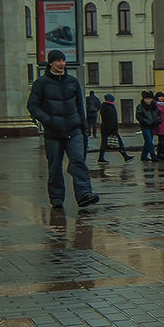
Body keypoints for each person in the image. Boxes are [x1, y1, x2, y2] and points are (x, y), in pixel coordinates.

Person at [26, 50, 99, 210]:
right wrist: (48, 120)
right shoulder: (41, 83)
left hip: (74, 131)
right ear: (51, 63)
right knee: (54, 167)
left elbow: (80, 107)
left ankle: (84, 194)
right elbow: (32, 106)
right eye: (58, 61)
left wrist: (84, 128)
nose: (62, 64)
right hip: (53, 133)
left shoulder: (72, 82)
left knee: (78, 162)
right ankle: (57, 198)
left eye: (63, 60)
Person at [96, 94, 133, 164]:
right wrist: (113, 130)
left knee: (104, 144)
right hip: (110, 129)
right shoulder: (109, 107)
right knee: (118, 143)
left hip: (105, 128)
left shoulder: (105, 106)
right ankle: (125, 156)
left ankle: (101, 158)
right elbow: (111, 120)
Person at [134, 91, 160, 161]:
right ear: (144, 99)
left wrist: (157, 121)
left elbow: (157, 114)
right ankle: (153, 156)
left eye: (149, 99)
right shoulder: (140, 106)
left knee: (148, 141)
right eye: (146, 99)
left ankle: (144, 156)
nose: (148, 100)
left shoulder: (154, 106)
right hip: (145, 126)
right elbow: (139, 116)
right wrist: (147, 122)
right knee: (149, 141)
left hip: (152, 125)